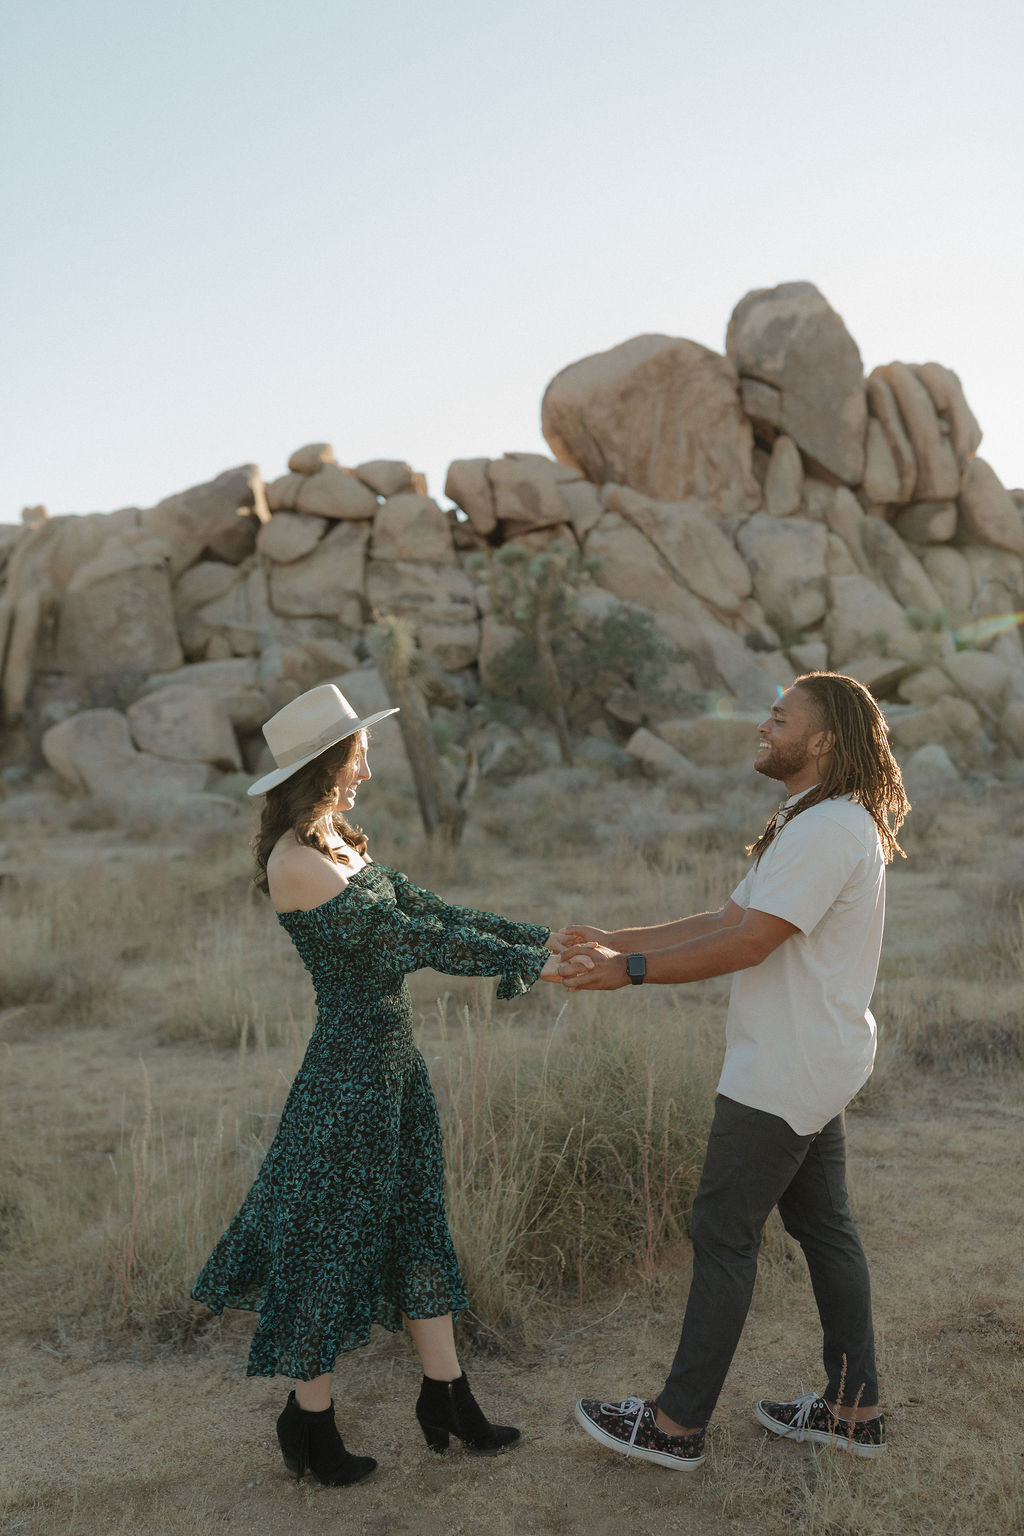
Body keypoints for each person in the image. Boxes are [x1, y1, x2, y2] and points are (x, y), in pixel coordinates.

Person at [192, 683, 568, 1487]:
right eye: (358, 753)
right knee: (326, 1246)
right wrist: (526, 960)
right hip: (346, 1083)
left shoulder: (338, 840)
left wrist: (537, 938)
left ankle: (448, 1398)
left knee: (416, 1225)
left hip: (394, 1069)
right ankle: (310, 1425)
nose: (366, 768)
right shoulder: (296, 862)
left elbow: (435, 908)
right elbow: (410, 941)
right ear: (328, 761)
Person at [558, 671, 910, 1472]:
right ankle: (854, 1410)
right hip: (809, 1057)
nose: (764, 725)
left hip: (786, 1066)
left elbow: (750, 944)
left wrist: (632, 972)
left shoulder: (828, 829)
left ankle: (676, 1426)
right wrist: (617, 940)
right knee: (824, 1228)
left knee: (723, 1232)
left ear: (821, 741)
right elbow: (728, 918)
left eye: (780, 718)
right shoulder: (813, 818)